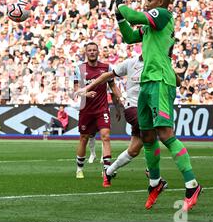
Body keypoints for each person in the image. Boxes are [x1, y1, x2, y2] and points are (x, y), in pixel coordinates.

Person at [115, 0, 201, 211]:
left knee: (165, 134)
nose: (146, 3)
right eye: (145, 0)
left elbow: (133, 15)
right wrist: (119, 18)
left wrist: (121, 5)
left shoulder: (163, 15)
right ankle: (155, 183)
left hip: (161, 80)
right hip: (147, 82)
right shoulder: (150, 26)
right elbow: (129, 36)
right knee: (147, 135)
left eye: (150, 0)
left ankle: (192, 185)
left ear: (161, 1)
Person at [76, 55, 182, 184]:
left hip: (149, 111)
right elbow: (107, 76)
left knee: (133, 150)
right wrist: (87, 88)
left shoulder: (159, 63)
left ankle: (109, 172)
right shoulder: (130, 63)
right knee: (157, 130)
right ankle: (152, 173)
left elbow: (178, 83)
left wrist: (169, 68)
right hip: (132, 108)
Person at [74, 42, 122, 187]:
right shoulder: (80, 68)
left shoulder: (106, 68)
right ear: (86, 52)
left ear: (98, 52)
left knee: (106, 136)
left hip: (102, 109)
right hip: (86, 110)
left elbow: (113, 86)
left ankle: (107, 170)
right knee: (83, 138)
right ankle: (79, 169)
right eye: (89, 50)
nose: (92, 52)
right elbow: (76, 89)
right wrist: (86, 93)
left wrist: (119, 103)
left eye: (94, 50)